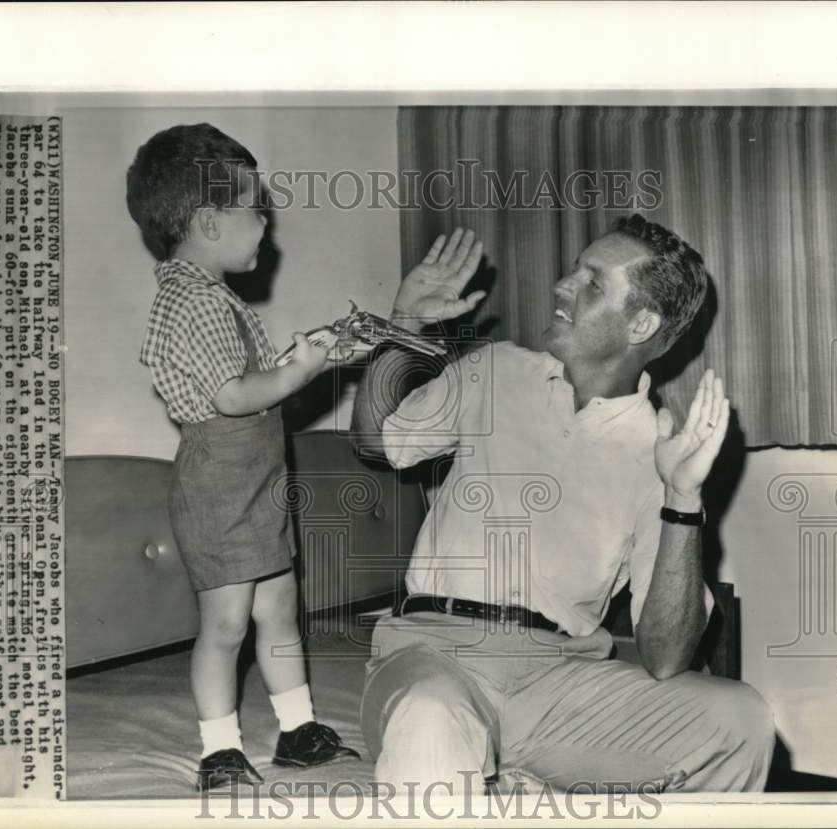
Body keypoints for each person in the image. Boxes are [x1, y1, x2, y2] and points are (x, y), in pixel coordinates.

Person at [351, 218, 776, 794]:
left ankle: (517, 774)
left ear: (641, 323)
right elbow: (378, 442)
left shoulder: (661, 451)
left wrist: (682, 496)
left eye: (592, 282)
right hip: (433, 653)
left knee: (739, 719)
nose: (560, 285)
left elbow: (668, 656)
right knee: (431, 717)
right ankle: (502, 774)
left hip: (557, 681)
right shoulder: (493, 370)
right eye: (575, 269)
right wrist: (403, 324)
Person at [127, 123, 359, 791]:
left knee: (279, 606)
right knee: (225, 622)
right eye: (255, 209)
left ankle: (297, 728)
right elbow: (232, 397)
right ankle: (220, 747)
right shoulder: (193, 300)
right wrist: (302, 373)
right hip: (221, 488)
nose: (265, 223)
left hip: (255, 480)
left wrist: (300, 358)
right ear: (208, 221)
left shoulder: (210, 294)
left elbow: (244, 381)